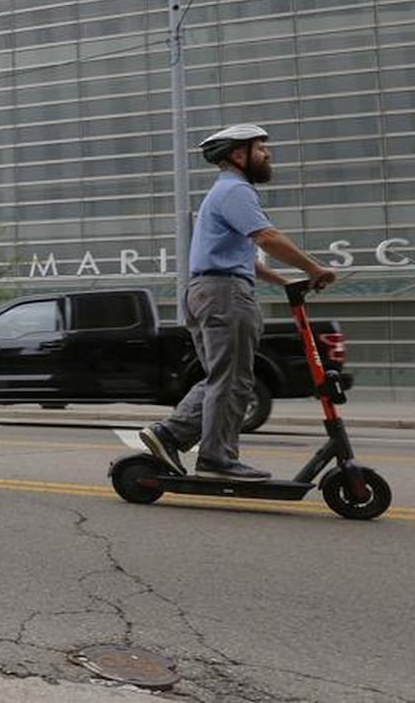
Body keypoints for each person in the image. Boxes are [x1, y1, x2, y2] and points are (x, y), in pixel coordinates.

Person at [140, 125, 336, 481]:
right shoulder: (236, 190)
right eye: (260, 148)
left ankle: (169, 435)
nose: (268, 153)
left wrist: (285, 281)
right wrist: (313, 267)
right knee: (232, 380)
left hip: (210, 291)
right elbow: (267, 237)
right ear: (237, 154)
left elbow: (247, 258)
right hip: (224, 294)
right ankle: (216, 458)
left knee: (224, 377)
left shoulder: (223, 193)